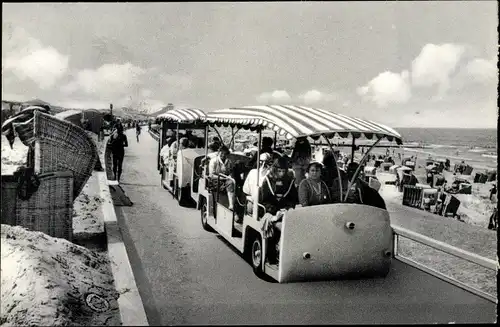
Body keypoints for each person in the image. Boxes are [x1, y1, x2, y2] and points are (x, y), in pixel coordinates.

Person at [260, 156, 298, 263]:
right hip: (270, 211)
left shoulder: (289, 181)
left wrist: (287, 207)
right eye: (279, 171)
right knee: (274, 229)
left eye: (283, 171)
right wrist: (273, 211)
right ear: (275, 170)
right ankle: (271, 256)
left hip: (284, 211)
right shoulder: (267, 180)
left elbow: (293, 198)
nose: (281, 173)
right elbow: (264, 200)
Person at [208, 145, 236, 210]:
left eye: (225, 154)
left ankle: (231, 205)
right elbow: (211, 175)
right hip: (215, 180)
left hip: (226, 180)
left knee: (232, 182)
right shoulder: (214, 161)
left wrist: (230, 176)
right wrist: (221, 178)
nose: (223, 155)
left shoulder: (228, 161)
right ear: (219, 152)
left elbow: (231, 171)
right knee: (229, 183)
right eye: (222, 153)